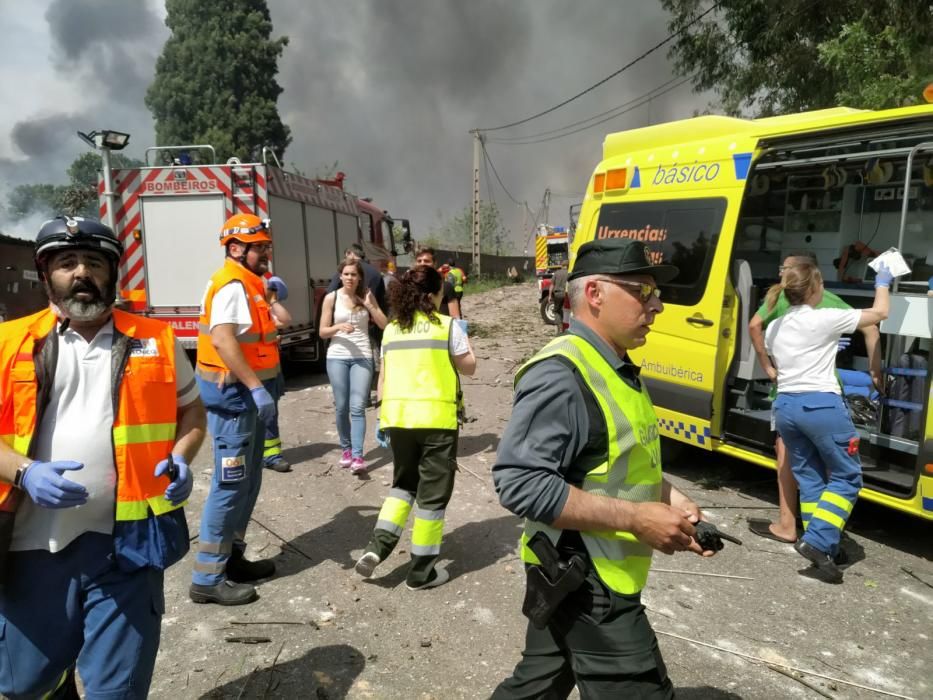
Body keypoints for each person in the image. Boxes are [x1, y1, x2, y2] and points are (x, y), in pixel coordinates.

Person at [492, 238, 716, 699]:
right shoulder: (561, 374)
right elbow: (519, 482)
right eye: (644, 291)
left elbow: (610, 460)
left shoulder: (610, 365)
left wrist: (666, 496)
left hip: (578, 573)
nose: (657, 306)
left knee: (538, 687)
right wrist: (636, 518)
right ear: (595, 294)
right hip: (587, 580)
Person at [0, 216, 206, 698]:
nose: (81, 273)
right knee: (25, 685)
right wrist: (26, 473)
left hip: (127, 547)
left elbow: (192, 411)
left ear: (112, 273)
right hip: (28, 546)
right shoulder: (9, 343)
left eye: (93, 261)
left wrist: (181, 456)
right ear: (46, 273)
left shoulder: (156, 339)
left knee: (117, 691)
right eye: (66, 262)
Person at [765, 260, 891, 583]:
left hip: (787, 407)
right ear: (811, 289)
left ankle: (826, 548)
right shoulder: (824, 318)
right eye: (821, 285)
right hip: (821, 405)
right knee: (848, 478)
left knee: (810, 479)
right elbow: (879, 315)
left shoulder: (774, 327)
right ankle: (818, 541)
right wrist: (883, 281)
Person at [354, 265, 475, 590]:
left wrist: (382, 418)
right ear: (434, 295)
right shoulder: (447, 327)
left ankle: (376, 549)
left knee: (403, 485)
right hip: (436, 422)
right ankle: (422, 571)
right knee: (432, 497)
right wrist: (459, 338)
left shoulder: (393, 329)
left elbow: (384, 377)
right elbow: (470, 367)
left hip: (398, 419)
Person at [190, 213, 282, 606]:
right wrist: (257, 388)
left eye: (265, 246)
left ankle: (232, 558)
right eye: (259, 247)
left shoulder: (250, 282)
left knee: (249, 480)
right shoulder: (230, 284)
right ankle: (207, 577)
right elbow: (224, 340)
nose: (265, 253)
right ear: (235, 248)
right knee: (231, 484)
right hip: (237, 400)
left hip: (249, 398)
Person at [319, 258, 387, 474]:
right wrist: (338, 327)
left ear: (360, 278)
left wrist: (370, 305)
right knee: (341, 406)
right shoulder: (331, 298)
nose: (350, 278)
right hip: (337, 356)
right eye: (346, 274)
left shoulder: (366, 296)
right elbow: (322, 332)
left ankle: (358, 456)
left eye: (354, 275)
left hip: (363, 356)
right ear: (340, 276)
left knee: (358, 406)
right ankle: (346, 449)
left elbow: (384, 324)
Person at [261, 273, 293, 473]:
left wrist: (272, 301)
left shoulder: (268, 309)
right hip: (253, 372)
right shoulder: (252, 309)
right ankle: (261, 454)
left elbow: (284, 320)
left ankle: (271, 455)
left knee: (270, 413)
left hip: (269, 369)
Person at [414, 246, 461, 319]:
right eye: (419, 261)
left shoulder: (445, 287)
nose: (422, 264)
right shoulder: (410, 288)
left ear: (434, 264)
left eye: (426, 261)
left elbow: (457, 321)